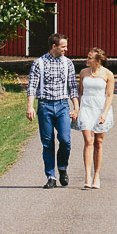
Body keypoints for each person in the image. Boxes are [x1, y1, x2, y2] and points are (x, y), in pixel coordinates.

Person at [26, 34, 79, 188]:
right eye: (63, 46)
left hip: (62, 105)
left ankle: (62, 168)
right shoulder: (39, 63)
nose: (66, 49)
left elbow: (72, 87)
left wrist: (76, 107)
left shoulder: (68, 63)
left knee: (65, 140)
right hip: (45, 106)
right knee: (48, 143)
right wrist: (30, 107)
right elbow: (32, 87)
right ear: (54, 46)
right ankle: (51, 176)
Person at [75, 48, 116, 188]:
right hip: (86, 107)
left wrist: (104, 113)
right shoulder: (83, 73)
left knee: (98, 141)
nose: (87, 59)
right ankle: (87, 175)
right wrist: (78, 109)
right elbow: (80, 92)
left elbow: (110, 96)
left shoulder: (108, 74)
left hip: (100, 108)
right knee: (88, 140)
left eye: (89, 58)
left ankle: (97, 175)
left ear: (98, 61)